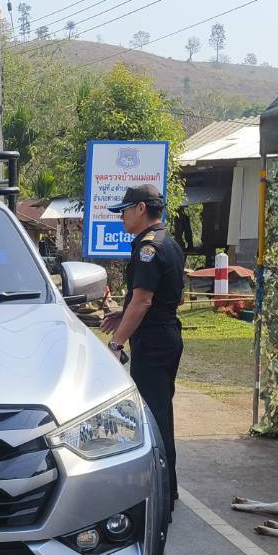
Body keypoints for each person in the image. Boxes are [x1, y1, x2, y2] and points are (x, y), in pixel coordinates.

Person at [100, 183, 186, 502]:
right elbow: (168, 298)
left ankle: (160, 492)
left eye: (124, 211)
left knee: (153, 417)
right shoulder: (169, 243)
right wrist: (124, 314)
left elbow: (144, 300)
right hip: (166, 335)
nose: (121, 217)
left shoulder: (148, 248)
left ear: (140, 209)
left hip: (153, 341)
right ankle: (167, 488)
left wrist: (116, 343)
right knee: (160, 412)